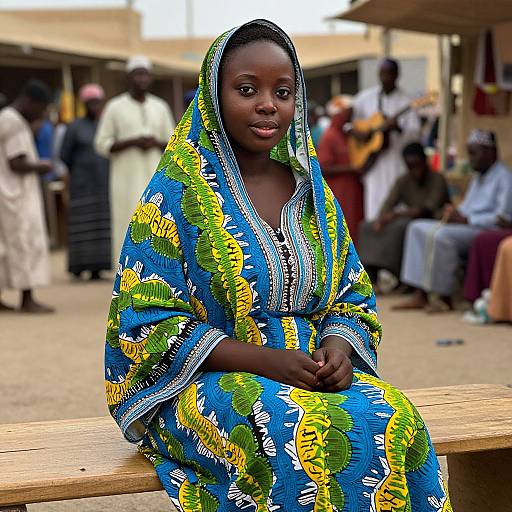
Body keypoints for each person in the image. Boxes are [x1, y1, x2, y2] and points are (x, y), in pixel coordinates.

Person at [104, 20, 451, 511]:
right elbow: (144, 324)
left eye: (283, 92)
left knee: (395, 417)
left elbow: (351, 293)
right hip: (204, 382)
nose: (268, 104)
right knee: (280, 433)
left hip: (311, 372)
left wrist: (336, 351)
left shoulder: (314, 194)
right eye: (247, 89)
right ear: (213, 95)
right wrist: (265, 362)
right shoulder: (176, 195)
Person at [396, 129, 512, 312]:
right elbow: (467, 206)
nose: (470, 159)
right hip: (466, 225)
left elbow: (503, 218)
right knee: (416, 228)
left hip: (482, 229)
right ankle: (420, 293)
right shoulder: (478, 177)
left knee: (442, 236)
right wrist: (454, 213)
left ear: (490, 153)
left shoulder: (505, 178)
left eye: (474, 153)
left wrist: (468, 219)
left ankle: (444, 297)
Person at [94, 55, 175, 263]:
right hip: (125, 180)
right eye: (137, 74)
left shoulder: (160, 107)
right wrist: (132, 142)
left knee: (157, 223)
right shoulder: (114, 107)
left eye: (145, 74)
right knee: (126, 222)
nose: (142, 79)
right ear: (129, 78)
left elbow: (174, 143)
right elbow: (101, 144)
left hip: (155, 178)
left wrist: (155, 143)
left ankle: (157, 271)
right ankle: (125, 272)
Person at [358, 142, 449, 290]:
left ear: (425, 161)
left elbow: (427, 209)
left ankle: (402, 276)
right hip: (409, 219)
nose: (415, 170)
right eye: (410, 166)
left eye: (417, 165)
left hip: (431, 219)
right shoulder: (404, 180)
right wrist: (381, 218)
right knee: (367, 226)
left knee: (400, 228)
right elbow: (389, 203)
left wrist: (393, 216)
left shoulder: (437, 179)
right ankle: (372, 277)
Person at [0, 79, 54, 313]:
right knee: (25, 243)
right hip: (16, 194)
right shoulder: (14, 122)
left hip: (7, 192)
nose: (41, 113)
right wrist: (40, 166)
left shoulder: (6, 117)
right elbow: (16, 162)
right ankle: (27, 298)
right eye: (41, 107)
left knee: (5, 245)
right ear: (30, 102)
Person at [350, 58, 421, 221]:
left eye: (389, 74)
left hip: (396, 162)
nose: (385, 78)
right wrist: (357, 133)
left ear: (397, 75)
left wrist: (397, 128)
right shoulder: (364, 98)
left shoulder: (407, 101)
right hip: (373, 163)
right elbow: (349, 124)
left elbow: (415, 136)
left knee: (395, 203)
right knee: (372, 205)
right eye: (382, 74)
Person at [60, 84, 111, 280]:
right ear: (84, 104)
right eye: (91, 102)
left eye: (97, 102)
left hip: (102, 183)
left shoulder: (104, 125)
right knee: (82, 226)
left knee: (99, 226)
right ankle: (79, 267)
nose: (94, 106)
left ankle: (98, 268)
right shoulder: (74, 126)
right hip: (82, 185)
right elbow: (64, 154)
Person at [317, 95, 364, 243]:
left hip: (352, 190)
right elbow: (323, 168)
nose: (351, 116)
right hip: (340, 192)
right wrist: (350, 169)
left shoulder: (346, 135)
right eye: (348, 112)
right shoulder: (329, 136)